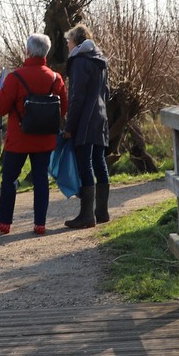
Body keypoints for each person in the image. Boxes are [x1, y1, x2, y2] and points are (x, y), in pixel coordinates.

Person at [0, 33, 67, 235]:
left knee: (10, 179)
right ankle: (40, 223)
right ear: (46, 52)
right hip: (44, 139)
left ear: (27, 51)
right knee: (41, 179)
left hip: (18, 138)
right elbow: (62, 109)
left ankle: (4, 221)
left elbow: (0, 108)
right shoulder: (55, 78)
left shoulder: (15, 77)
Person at [62, 23, 110, 229]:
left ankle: (86, 215)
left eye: (69, 41)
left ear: (76, 41)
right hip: (101, 116)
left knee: (85, 163)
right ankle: (102, 212)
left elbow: (77, 97)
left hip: (86, 119)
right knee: (99, 161)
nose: (67, 45)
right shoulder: (100, 60)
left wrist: (69, 126)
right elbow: (106, 91)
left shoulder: (79, 61)